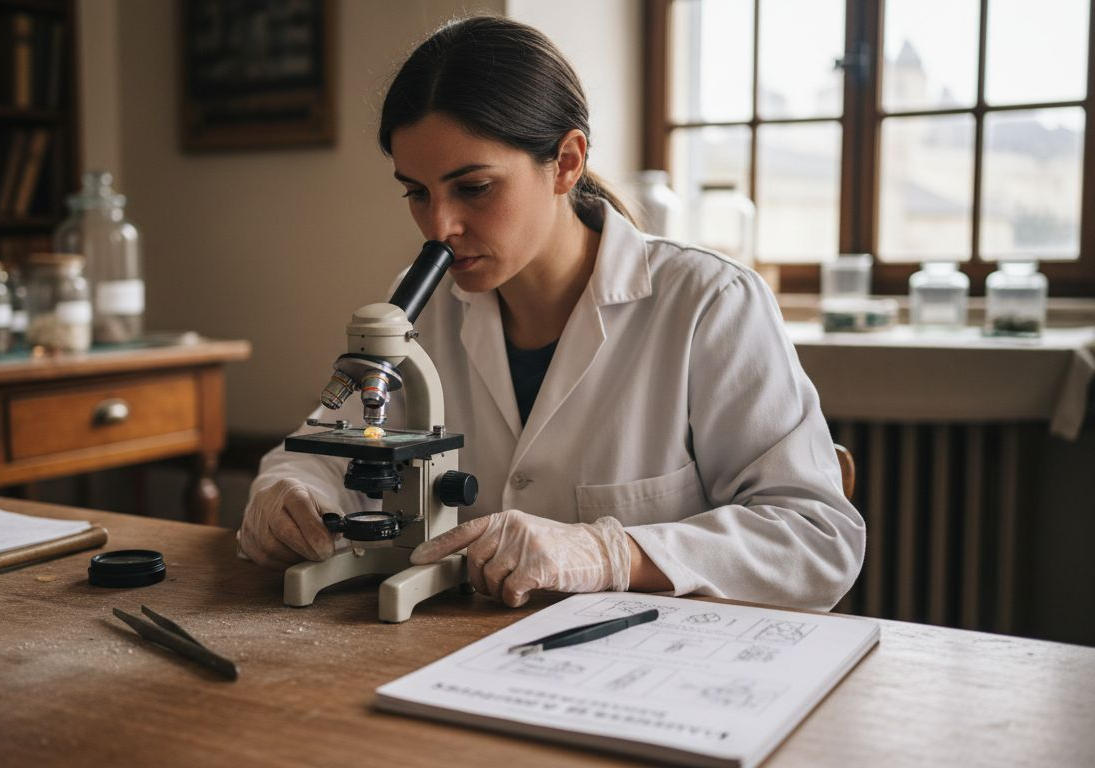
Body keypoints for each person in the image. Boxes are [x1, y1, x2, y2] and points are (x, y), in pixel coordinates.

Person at [239, 16, 865, 611]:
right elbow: (321, 453)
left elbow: (816, 540)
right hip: (456, 657)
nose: (440, 227)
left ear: (566, 162)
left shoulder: (710, 304)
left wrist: (611, 552)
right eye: (416, 192)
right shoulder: (419, 301)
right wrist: (288, 496)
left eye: (474, 188)